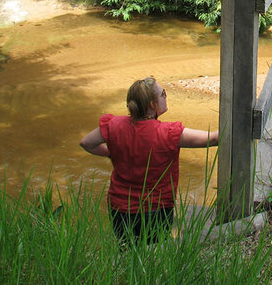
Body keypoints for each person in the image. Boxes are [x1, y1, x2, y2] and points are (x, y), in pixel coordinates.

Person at [80, 77, 218, 243]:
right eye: (163, 94)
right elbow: (213, 139)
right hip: (156, 208)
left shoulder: (114, 125)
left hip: (120, 207)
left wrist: (111, 153)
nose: (166, 96)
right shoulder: (168, 133)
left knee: (126, 250)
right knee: (154, 252)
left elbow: (86, 143)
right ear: (152, 104)